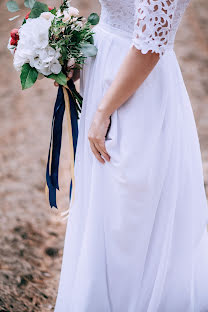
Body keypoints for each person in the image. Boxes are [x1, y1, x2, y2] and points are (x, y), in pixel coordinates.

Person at [54, 0, 208, 311]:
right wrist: (79, 58)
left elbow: (150, 44)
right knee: (105, 209)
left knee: (125, 217)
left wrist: (103, 110)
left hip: (134, 94)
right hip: (110, 78)